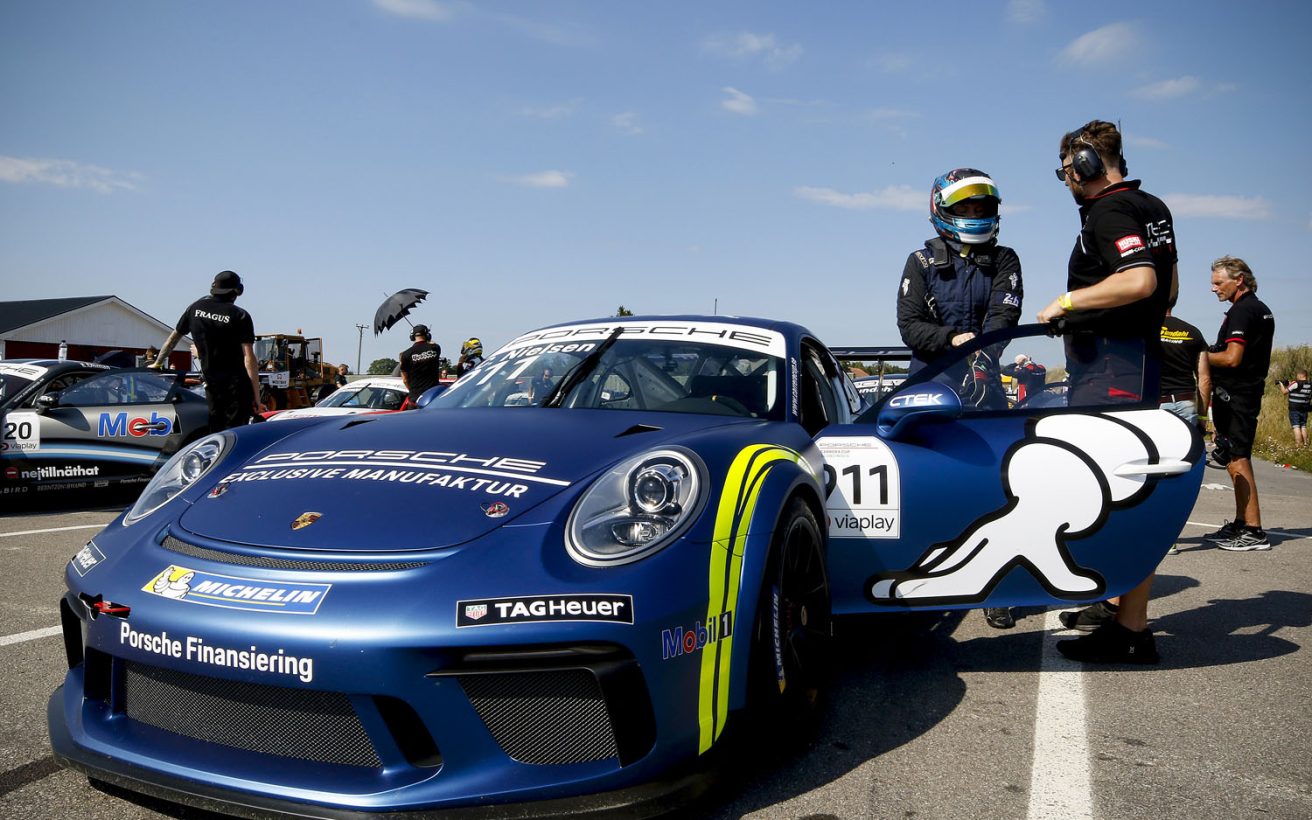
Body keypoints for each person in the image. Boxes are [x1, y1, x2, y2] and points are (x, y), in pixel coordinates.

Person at [1037, 120, 1177, 664]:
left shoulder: (1109, 211)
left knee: (1111, 494)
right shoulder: (1153, 205)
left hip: (1111, 368)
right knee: (1126, 490)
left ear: (1087, 164)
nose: (1066, 178)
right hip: (1135, 362)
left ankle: (1132, 631)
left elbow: (1141, 281)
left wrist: (1066, 304)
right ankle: (1118, 609)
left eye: (1067, 169)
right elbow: (1170, 289)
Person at [896, 167, 1022, 629]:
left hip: (985, 390)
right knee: (927, 483)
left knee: (998, 488)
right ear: (942, 210)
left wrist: (980, 353)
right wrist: (951, 340)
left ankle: (998, 589)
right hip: (929, 390)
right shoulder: (920, 261)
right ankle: (922, 583)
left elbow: (1004, 321)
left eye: (981, 207)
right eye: (965, 208)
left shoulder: (1006, 259)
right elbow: (910, 326)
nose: (974, 214)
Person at [1205, 256, 1276, 552]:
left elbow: (1232, 358)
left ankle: (1253, 530)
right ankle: (1240, 522)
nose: (1214, 289)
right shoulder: (1255, 309)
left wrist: (1196, 356)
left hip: (1237, 396)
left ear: (1239, 280)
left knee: (1239, 459)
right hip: (1240, 394)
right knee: (1233, 459)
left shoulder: (1243, 311)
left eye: (1218, 283)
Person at [152, 270, 264, 432]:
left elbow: (173, 338)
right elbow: (249, 358)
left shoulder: (195, 308)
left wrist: (157, 363)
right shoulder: (240, 315)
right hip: (236, 388)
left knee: (216, 431)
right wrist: (256, 397)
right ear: (236, 292)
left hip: (212, 385)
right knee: (237, 434)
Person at [399, 323, 442, 407]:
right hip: (432, 397)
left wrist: (412, 391)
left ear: (412, 336)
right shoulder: (435, 348)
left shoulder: (406, 354)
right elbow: (433, 344)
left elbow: (404, 380)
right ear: (428, 335)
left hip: (415, 398)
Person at [1277, 369, 1310, 447]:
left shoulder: (1295, 383)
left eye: (1297, 376)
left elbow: (1284, 392)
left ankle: (1298, 445)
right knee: (1303, 426)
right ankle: (1305, 444)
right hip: (1305, 409)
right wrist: (1290, 384)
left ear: (1300, 375)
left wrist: (1281, 384)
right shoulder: (1309, 384)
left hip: (1294, 409)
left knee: (1296, 427)